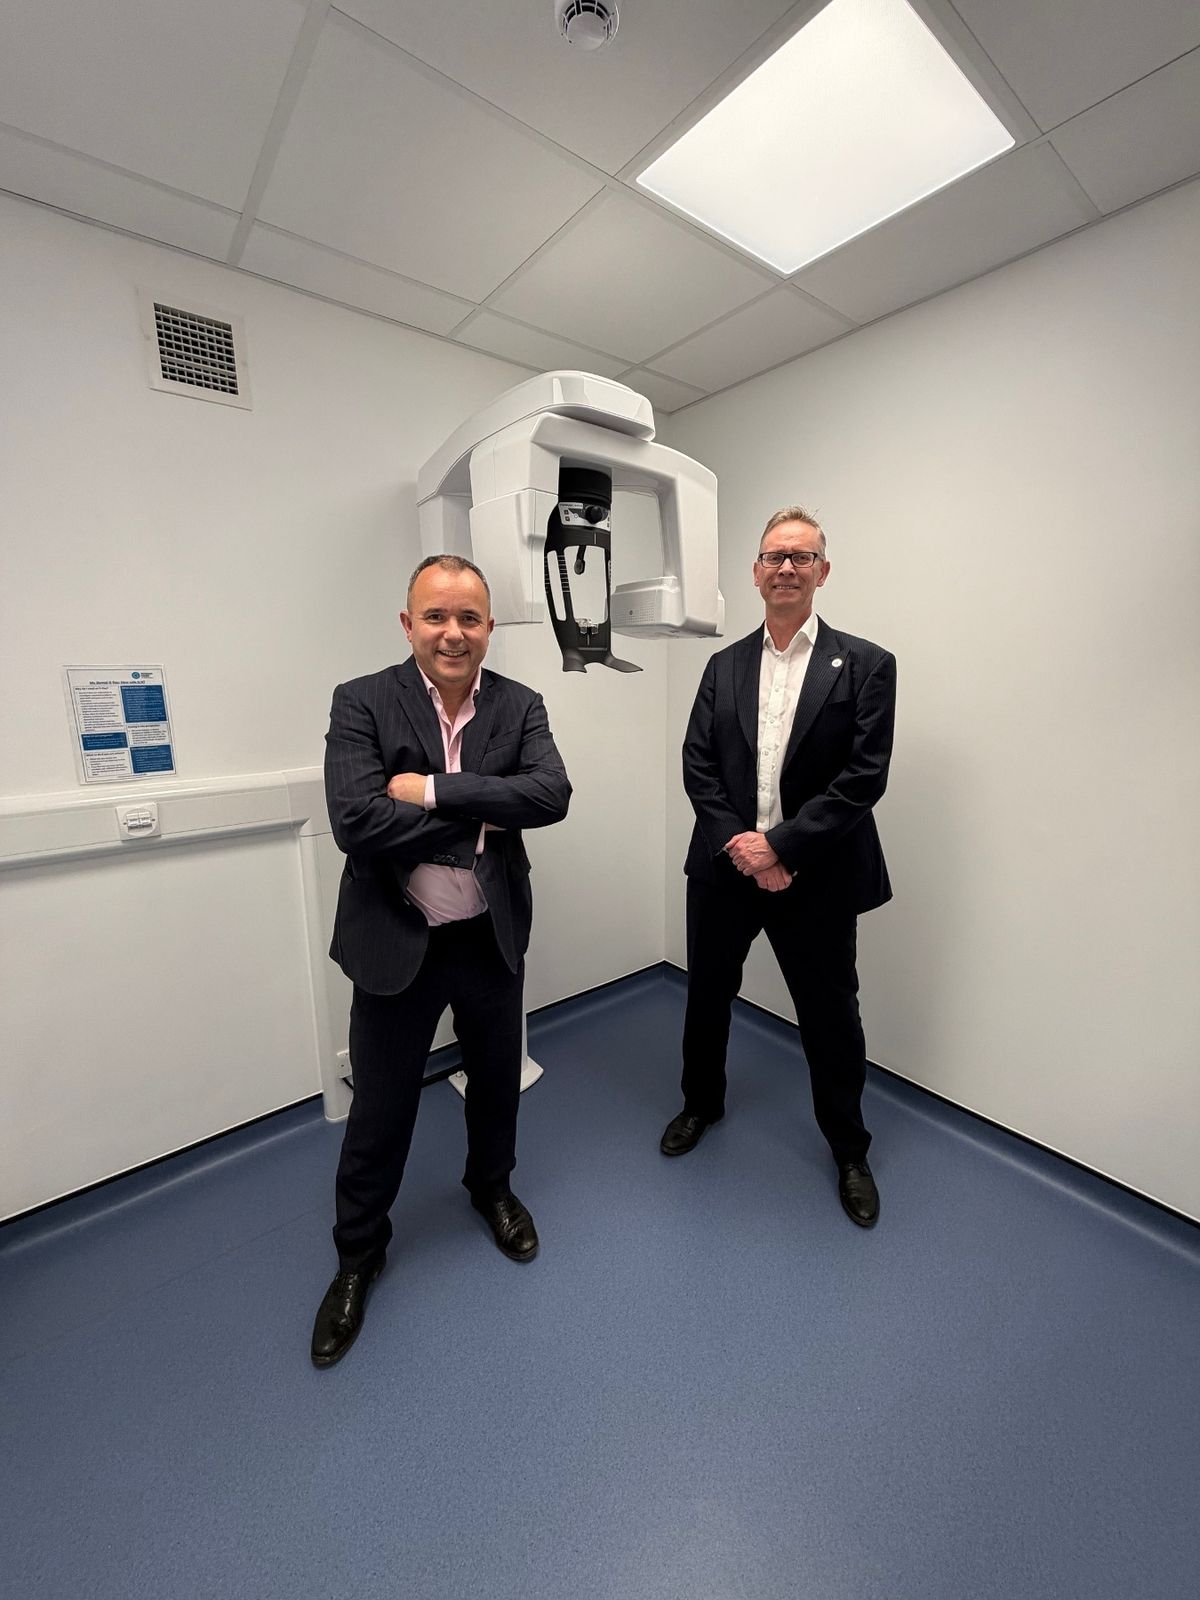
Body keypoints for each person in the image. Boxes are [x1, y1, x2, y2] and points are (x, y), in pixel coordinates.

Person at [312, 554, 571, 1367]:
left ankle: (491, 1189)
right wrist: (487, 811)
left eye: (468, 618)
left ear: (489, 627)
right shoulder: (361, 701)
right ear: (408, 624)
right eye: (435, 616)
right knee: (381, 1108)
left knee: (496, 1083)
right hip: (399, 940)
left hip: (488, 938)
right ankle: (359, 1253)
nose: (452, 633)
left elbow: (551, 795)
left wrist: (428, 792)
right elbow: (356, 823)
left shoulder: (520, 704)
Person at [660, 506, 896, 1227]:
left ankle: (849, 1149)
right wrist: (744, 845)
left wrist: (782, 848)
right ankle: (701, 1103)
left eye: (801, 556)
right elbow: (698, 764)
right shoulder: (723, 665)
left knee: (830, 1015)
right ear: (756, 572)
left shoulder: (867, 664)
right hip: (725, 867)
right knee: (707, 996)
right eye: (774, 556)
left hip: (816, 874)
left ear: (823, 571)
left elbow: (863, 778)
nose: (786, 567)